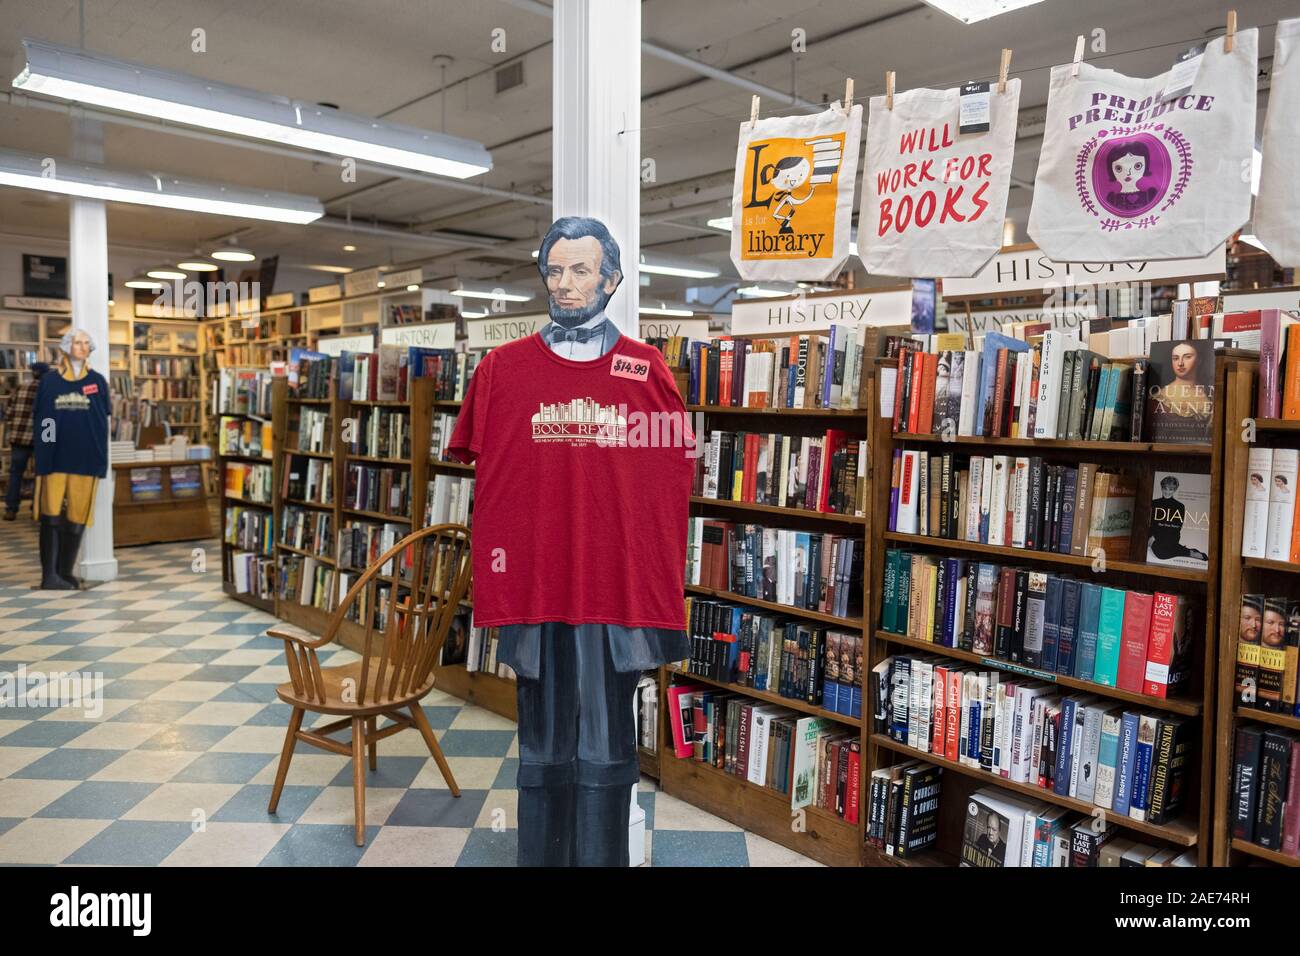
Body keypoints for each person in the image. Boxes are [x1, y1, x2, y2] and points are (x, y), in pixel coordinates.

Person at [449, 217, 693, 867]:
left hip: (614, 600)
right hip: (534, 592)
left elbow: (669, 486)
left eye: (580, 269)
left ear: (611, 278)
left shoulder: (644, 371)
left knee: (609, 755)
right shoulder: (501, 371)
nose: (566, 283)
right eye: (554, 270)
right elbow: (481, 469)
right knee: (543, 752)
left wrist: (654, 584)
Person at [32, 329, 111, 590]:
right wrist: (46, 451)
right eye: (77, 342)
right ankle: (49, 576)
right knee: (50, 515)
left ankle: (65, 572)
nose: (83, 347)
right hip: (55, 459)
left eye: (87, 342)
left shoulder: (98, 382)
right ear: (66, 346)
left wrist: (100, 458)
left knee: (78, 517)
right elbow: (45, 420)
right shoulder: (50, 382)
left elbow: (101, 423)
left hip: (86, 460)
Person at [2, 361, 49, 520]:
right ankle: (36, 508)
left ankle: (11, 509)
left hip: (18, 438)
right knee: (40, 474)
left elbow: (8, 412)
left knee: (15, 473)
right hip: (41, 440)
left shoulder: (20, 387)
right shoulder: (48, 391)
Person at [1147, 474, 1209, 563]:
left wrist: (1155, 537)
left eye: (1171, 489)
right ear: (1161, 488)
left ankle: (1189, 552)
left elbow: (1176, 527)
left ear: (1175, 490)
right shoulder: (1154, 503)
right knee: (1158, 550)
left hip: (1170, 535)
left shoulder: (1179, 506)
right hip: (1153, 534)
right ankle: (1187, 551)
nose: (1167, 492)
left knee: (1161, 553)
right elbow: (1151, 523)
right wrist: (1150, 536)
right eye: (1165, 488)